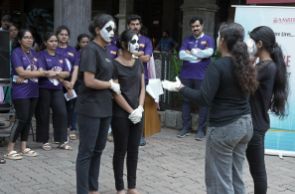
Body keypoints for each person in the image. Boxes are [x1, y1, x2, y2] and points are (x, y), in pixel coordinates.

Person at [162, 22, 258, 194]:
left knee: (219, 182)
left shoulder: (218, 65)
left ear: (223, 41)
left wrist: (180, 88)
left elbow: (204, 98)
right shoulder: (245, 64)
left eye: (218, 36)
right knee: (236, 178)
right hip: (245, 125)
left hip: (225, 128)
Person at [75, 14, 120, 194]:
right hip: (89, 108)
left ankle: (93, 188)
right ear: (97, 30)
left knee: (98, 150)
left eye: (114, 30)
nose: (112, 33)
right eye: (108, 29)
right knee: (87, 151)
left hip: (104, 108)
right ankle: (83, 190)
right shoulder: (90, 50)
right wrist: (110, 84)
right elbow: (89, 81)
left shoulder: (106, 50)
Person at [246, 26, 289, 194]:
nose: (248, 45)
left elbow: (241, 80)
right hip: (255, 124)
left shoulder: (266, 67)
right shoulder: (264, 65)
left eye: (251, 42)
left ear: (259, 44)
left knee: (258, 172)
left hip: (255, 126)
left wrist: (247, 61)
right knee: (256, 171)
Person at [112, 29, 145, 194]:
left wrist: (140, 107)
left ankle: (131, 186)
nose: (136, 44)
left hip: (138, 113)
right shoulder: (114, 64)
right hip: (120, 114)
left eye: (137, 41)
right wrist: (130, 110)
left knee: (134, 150)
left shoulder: (138, 62)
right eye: (133, 41)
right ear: (124, 44)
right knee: (120, 150)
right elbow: (115, 92)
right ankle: (119, 187)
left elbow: (142, 87)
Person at [5, 29, 46, 160]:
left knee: (28, 119)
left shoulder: (35, 53)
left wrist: (28, 74)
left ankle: (23, 147)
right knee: (21, 119)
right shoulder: (16, 53)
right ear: (19, 40)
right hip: (20, 91)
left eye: (31, 37)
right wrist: (30, 74)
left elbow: (40, 70)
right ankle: (10, 149)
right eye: (26, 37)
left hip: (33, 90)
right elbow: (21, 72)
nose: (29, 40)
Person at [177, 16, 214, 140]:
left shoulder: (208, 39)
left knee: (203, 102)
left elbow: (209, 53)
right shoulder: (186, 39)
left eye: (197, 26)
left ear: (202, 26)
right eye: (193, 26)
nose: (195, 28)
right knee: (186, 102)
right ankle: (185, 128)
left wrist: (191, 52)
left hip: (202, 76)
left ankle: (201, 130)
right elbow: (181, 55)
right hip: (186, 75)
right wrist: (198, 54)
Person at [36, 32, 71, 151]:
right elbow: (42, 71)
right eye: (51, 41)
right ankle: (44, 141)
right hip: (43, 88)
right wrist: (55, 73)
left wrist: (54, 73)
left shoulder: (61, 56)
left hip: (57, 89)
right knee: (44, 114)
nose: (54, 43)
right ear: (45, 43)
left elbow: (67, 73)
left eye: (55, 41)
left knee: (62, 112)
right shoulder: (40, 55)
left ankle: (61, 140)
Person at [127, 14, 159, 146]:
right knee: (126, 104)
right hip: (125, 76)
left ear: (140, 26)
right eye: (133, 24)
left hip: (141, 77)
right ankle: (125, 133)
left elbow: (147, 58)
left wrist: (131, 55)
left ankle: (139, 135)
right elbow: (120, 55)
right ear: (128, 25)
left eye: (137, 24)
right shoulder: (123, 38)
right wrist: (138, 54)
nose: (135, 26)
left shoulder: (146, 40)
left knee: (140, 106)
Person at [55, 25, 79, 140]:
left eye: (66, 35)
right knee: (60, 107)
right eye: (61, 34)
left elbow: (76, 67)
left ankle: (71, 128)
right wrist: (64, 82)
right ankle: (60, 129)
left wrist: (72, 84)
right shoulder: (54, 49)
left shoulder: (72, 50)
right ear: (57, 36)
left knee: (72, 107)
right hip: (57, 82)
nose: (64, 37)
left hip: (72, 83)